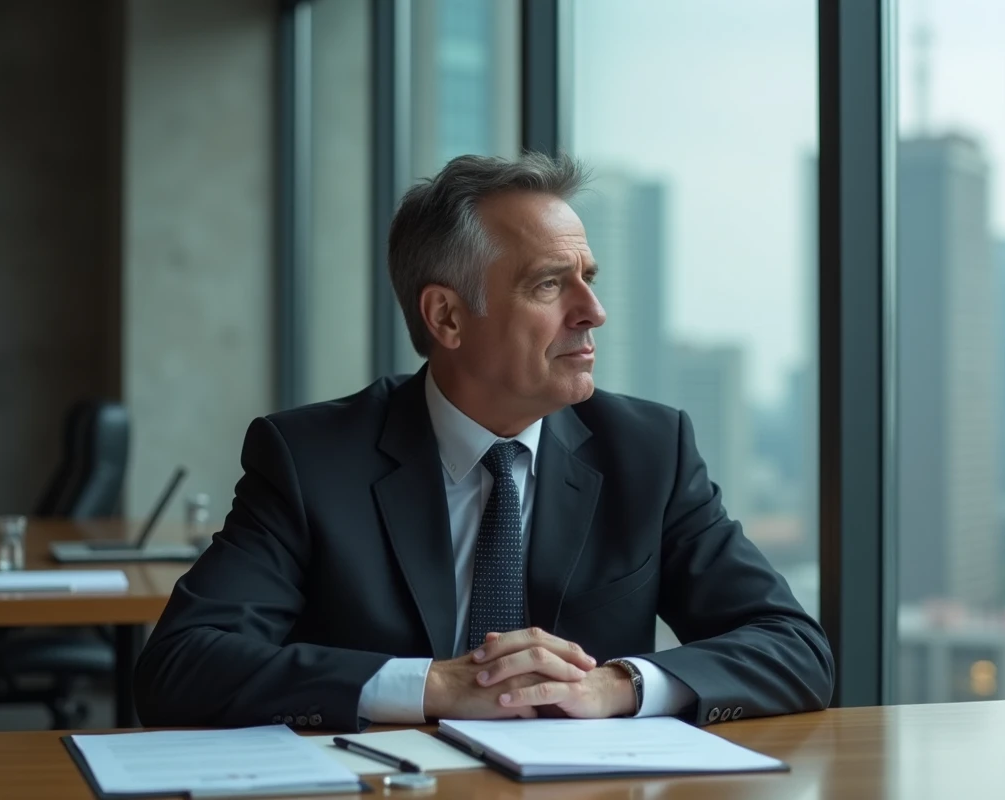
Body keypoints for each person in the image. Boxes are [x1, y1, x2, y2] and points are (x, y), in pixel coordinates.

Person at [133, 153, 833, 732]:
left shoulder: (648, 450)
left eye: (588, 280)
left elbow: (794, 648)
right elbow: (181, 668)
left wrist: (617, 684)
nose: (593, 312)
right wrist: (434, 687)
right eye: (550, 285)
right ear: (447, 316)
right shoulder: (312, 458)